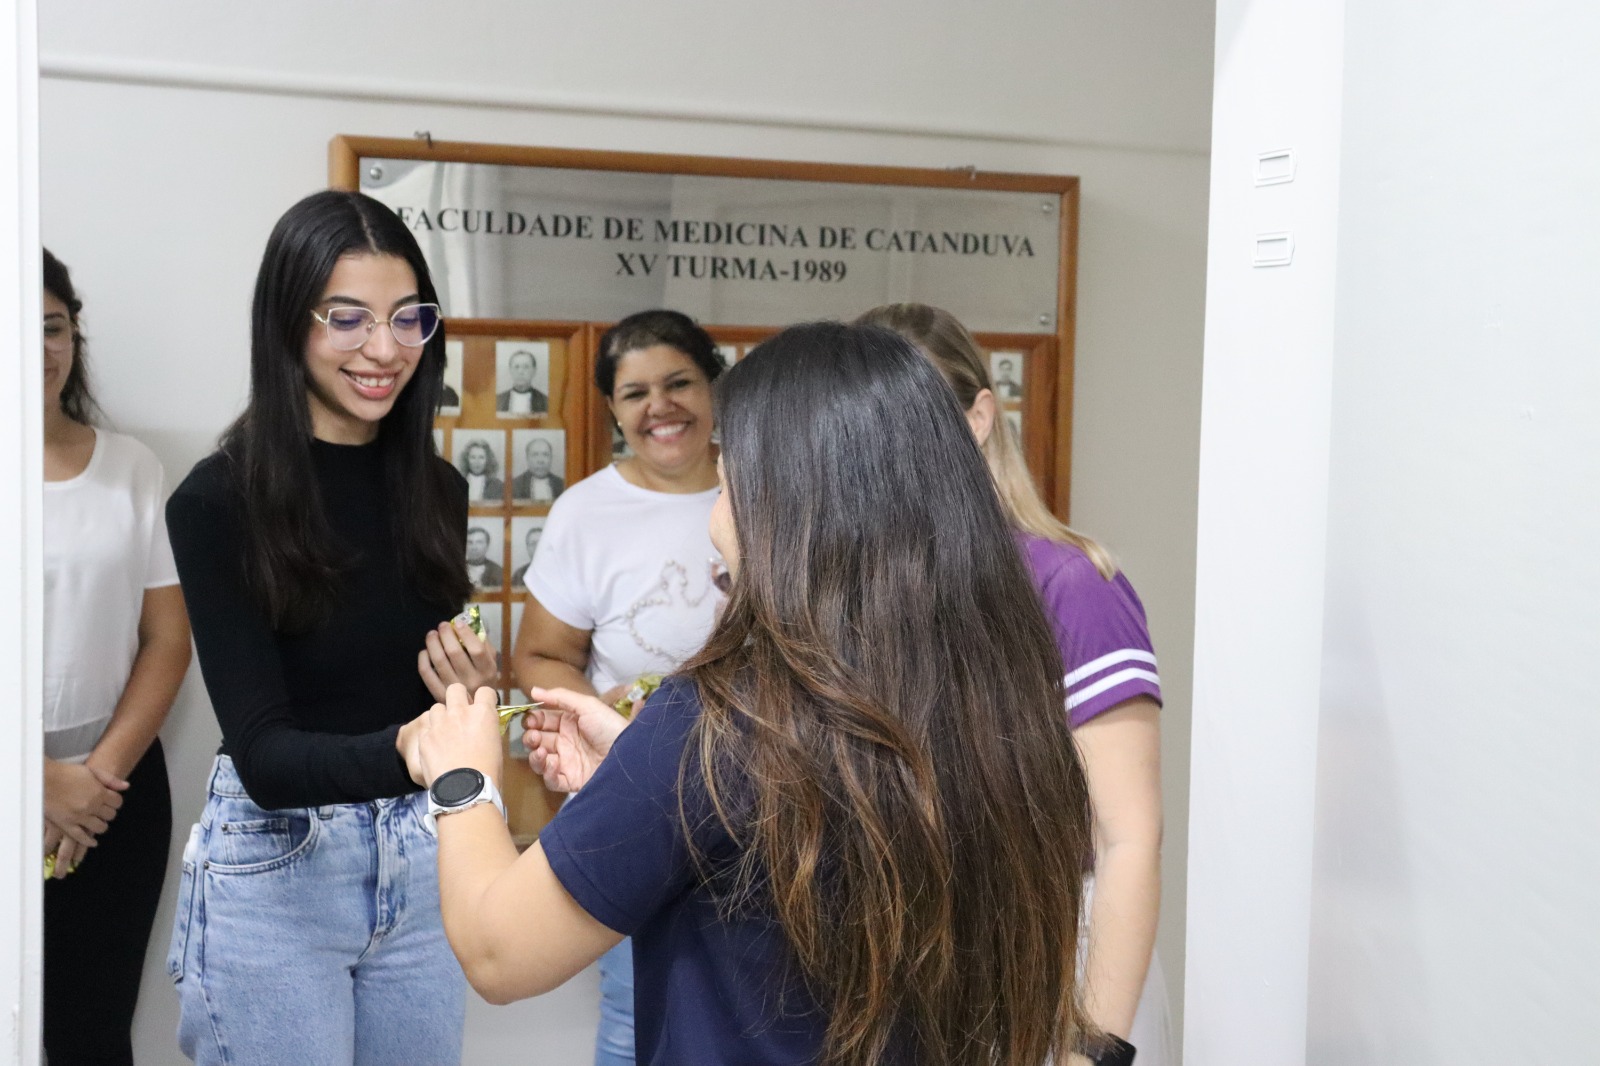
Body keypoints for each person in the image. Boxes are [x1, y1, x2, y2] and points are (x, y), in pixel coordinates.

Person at [400, 322, 1099, 1066]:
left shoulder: (720, 720)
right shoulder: (993, 690)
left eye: (728, 487)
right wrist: (634, 775)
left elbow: (499, 952)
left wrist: (463, 776)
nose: (712, 520)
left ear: (786, 507)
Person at [164, 190, 499, 1066]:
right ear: (288, 323)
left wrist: (467, 696)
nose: (384, 350)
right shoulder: (216, 502)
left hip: (423, 852)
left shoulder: (436, 490)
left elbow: (408, 691)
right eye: (347, 319)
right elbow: (269, 759)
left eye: (406, 318)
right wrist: (430, 748)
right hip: (278, 868)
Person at [859, 302, 1170, 1066]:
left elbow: (1128, 838)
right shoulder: (857, 599)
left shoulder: (1070, 584)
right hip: (907, 973)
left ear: (979, 418)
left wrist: (1087, 1047)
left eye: (923, 419)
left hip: (1048, 969)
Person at [510, 308, 724, 1066]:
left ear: (714, 388)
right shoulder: (586, 513)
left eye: (678, 383)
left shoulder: (762, 492)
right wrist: (620, 726)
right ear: (612, 410)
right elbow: (538, 655)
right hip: (634, 796)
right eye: (635, 394)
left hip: (757, 803)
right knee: (636, 1019)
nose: (659, 407)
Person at [41, 248, 192, 1066]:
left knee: (91, 1034)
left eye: (53, 327)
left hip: (116, 797)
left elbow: (168, 640)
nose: (39, 350)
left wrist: (91, 782)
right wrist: (35, 779)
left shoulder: (130, 467)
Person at [511, 435, 565, 502]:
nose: (540, 460)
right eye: (535, 455)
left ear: (551, 458)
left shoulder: (562, 484)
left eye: (545, 454)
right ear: (527, 458)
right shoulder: (514, 485)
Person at [496, 348, 549, 414]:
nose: (520, 372)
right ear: (510, 370)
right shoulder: (498, 400)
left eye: (526, 367)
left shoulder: (546, 401)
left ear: (534, 370)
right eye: (516, 367)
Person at [457, 437, 504, 502]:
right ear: (466, 459)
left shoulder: (497, 485)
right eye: (473, 457)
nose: (477, 461)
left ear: (488, 460)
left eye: (481, 457)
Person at [466, 525, 503, 590]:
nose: (474, 547)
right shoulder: (456, 569)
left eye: (479, 542)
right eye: (470, 542)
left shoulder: (498, 572)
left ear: (487, 545)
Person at [509, 523, 543, 588]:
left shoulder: (559, 571)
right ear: (527, 548)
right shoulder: (519, 574)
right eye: (533, 543)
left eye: (541, 543)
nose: (537, 547)